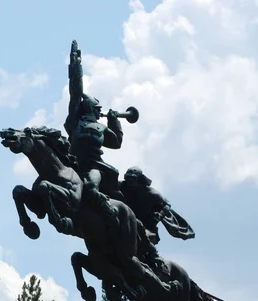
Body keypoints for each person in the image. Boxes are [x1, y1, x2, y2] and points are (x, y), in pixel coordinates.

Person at [63, 40, 124, 230]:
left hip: (94, 167)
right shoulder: (75, 121)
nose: (100, 112)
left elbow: (117, 143)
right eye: (98, 109)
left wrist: (114, 120)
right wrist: (76, 65)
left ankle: (110, 214)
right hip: (74, 165)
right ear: (90, 107)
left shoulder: (101, 127)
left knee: (90, 187)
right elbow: (75, 92)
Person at [120, 166, 195, 245]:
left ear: (138, 179)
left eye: (132, 180)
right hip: (126, 218)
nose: (129, 182)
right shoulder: (121, 185)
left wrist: (159, 215)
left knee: (145, 238)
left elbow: (167, 204)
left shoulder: (151, 193)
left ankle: (154, 255)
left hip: (146, 224)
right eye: (127, 178)